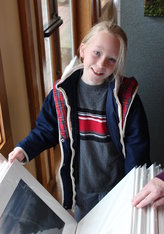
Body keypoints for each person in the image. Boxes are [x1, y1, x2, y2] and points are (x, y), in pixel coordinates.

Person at [8, 19, 151, 221]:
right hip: (81, 190)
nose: (101, 64)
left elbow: (137, 148)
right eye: (97, 53)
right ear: (82, 50)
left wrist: (135, 187)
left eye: (111, 59)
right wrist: (24, 150)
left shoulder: (127, 99)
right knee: (84, 230)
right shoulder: (61, 94)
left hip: (117, 186)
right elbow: (45, 130)